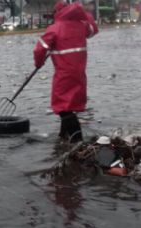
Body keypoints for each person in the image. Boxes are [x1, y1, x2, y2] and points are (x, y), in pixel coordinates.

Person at [33, 2, 98, 143]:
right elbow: (94, 29)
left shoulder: (55, 29)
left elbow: (39, 49)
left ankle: (78, 141)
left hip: (64, 74)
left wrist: (39, 63)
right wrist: (85, 14)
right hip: (80, 74)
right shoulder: (81, 25)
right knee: (69, 106)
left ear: (57, 13)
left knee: (63, 108)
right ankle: (63, 137)